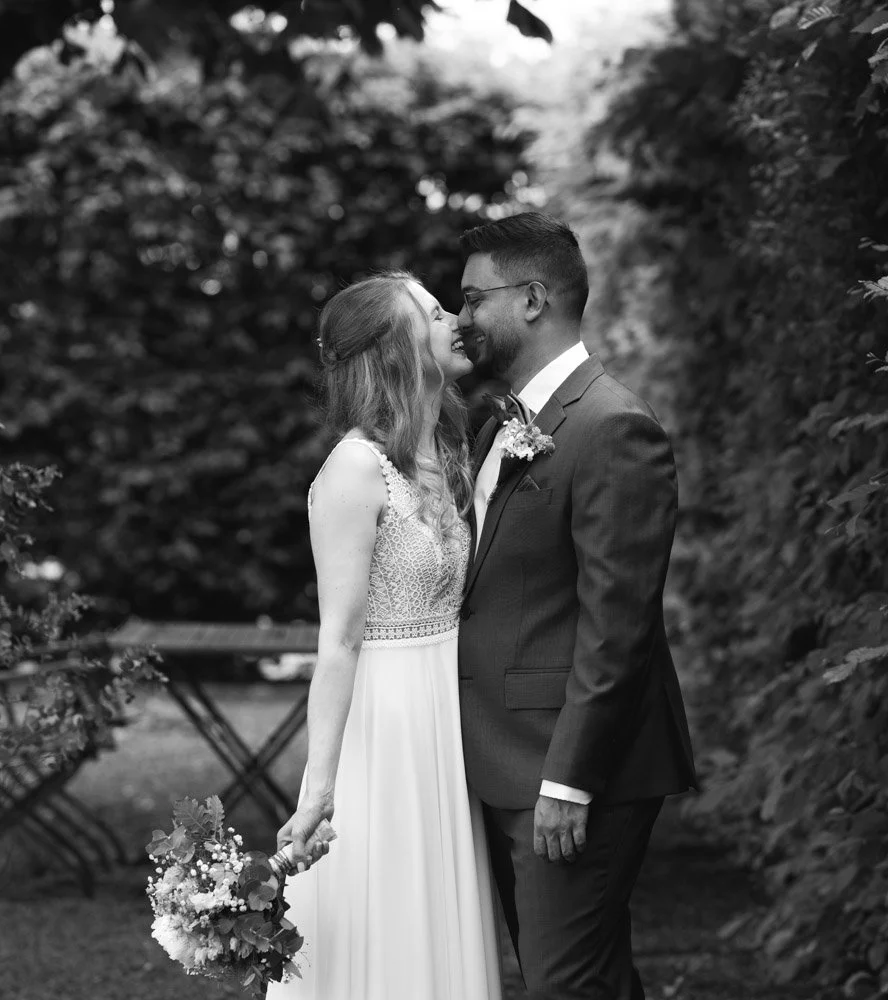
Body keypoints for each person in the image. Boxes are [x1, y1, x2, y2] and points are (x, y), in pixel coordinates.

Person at [456, 212, 698, 1000]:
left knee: (567, 984)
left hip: (566, 767)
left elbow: (617, 627)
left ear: (530, 299)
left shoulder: (612, 426)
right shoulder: (508, 423)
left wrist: (567, 783)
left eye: (470, 299)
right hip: (505, 754)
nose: (460, 321)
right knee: (580, 979)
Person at [268, 272, 503, 1000]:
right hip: (386, 726)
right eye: (434, 314)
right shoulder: (353, 469)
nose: (455, 320)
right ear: (396, 348)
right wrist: (321, 789)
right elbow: (336, 640)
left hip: (446, 718)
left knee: (440, 916)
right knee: (386, 917)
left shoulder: (449, 447)